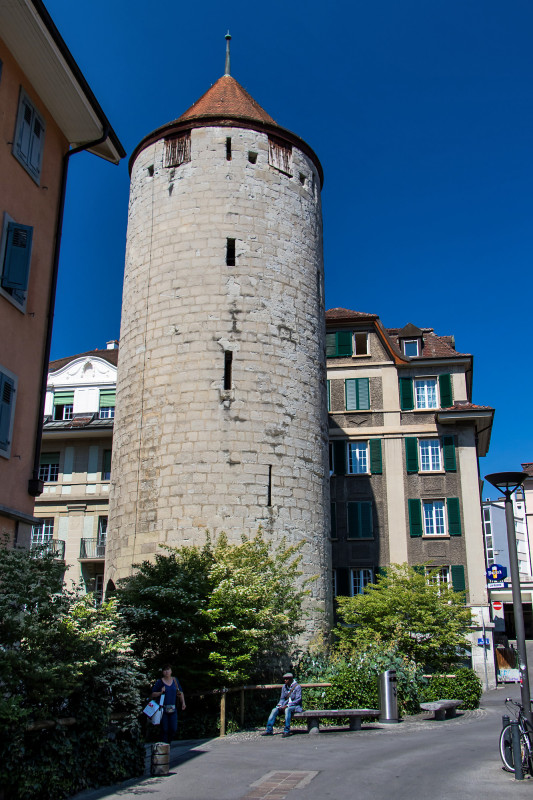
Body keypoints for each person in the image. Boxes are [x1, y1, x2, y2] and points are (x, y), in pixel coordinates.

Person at [151, 664, 186, 744]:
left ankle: (168, 744)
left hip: (173, 708)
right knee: (165, 729)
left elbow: (180, 692)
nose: (167, 672)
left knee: (173, 728)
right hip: (163, 709)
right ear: (163, 672)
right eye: (165, 670)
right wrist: (160, 692)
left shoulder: (175, 680)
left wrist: (183, 702)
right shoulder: (160, 682)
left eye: (168, 670)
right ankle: (164, 746)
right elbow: (153, 694)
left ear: (171, 671)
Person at [262, 672, 302, 738]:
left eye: (286, 679)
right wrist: (280, 705)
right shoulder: (284, 687)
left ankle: (287, 730)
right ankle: (269, 730)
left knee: (287, 710)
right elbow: (282, 698)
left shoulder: (297, 687)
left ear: (290, 679)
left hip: (295, 706)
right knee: (274, 710)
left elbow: (298, 700)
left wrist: (288, 705)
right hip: (285, 705)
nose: (285, 680)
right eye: (284, 679)